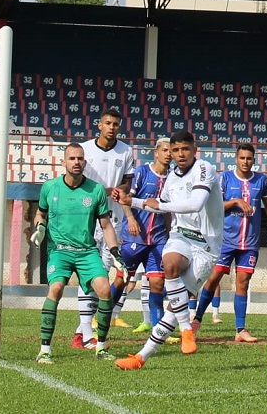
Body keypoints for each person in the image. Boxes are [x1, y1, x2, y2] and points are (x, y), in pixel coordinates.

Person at [113, 131, 224, 370]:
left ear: (195, 150)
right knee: (170, 263)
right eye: (176, 150)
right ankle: (186, 329)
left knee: (173, 310)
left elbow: (195, 204)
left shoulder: (204, 168)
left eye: (185, 149)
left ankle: (141, 357)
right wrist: (130, 201)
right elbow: (159, 207)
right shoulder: (172, 178)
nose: (180, 154)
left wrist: (160, 204)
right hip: (181, 236)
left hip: (206, 246)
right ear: (171, 153)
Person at [32, 143, 127, 364]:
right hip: (60, 251)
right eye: (72, 158)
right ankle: (45, 350)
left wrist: (115, 252)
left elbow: (106, 225)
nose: (76, 162)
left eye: (80, 158)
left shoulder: (96, 190)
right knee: (56, 289)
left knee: (105, 290)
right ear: (63, 162)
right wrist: (39, 227)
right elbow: (40, 214)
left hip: (87, 251)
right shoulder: (50, 187)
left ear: (85, 162)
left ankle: (100, 347)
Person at [191, 143, 267, 343]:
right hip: (225, 240)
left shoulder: (261, 180)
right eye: (242, 158)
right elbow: (214, 207)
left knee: (243, 282)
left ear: (254, 160)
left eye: (249, 158)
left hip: (250, 242)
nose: (245, 162)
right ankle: (196, 321)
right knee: (213, 279)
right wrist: (236, 202)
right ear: (236, 159)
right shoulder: (224, 179)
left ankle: (240, 330)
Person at [72, 107, 135, 351]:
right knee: (90, 273)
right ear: (99, 125)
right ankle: (84, 333)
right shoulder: (85, 149)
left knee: (104, 275)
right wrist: (102, 191)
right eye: (108, 123)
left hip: (113, 221)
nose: (111, 127)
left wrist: (121, 189)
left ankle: (82, 331)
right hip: (88, 219)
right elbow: (77, 181)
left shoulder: (125, 151)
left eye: (115, 124)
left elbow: (128, 181)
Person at [119, 137, 172, 334]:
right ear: (156, 153)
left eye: (171, 151)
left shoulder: (173, 177)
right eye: (165, 150)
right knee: (122, 279)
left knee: (157, 283)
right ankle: (103, 319)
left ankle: (158, 330)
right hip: (134, 237)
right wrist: (131, 219)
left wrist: (169, 233)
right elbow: (126, 199)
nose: (169, 154)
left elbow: (167, 209)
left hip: (158, 238)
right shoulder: (142, 172)